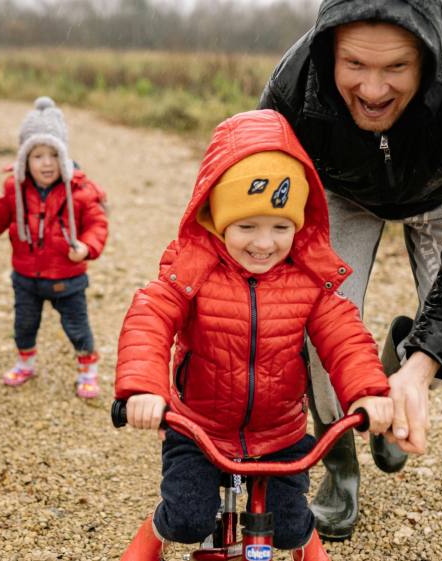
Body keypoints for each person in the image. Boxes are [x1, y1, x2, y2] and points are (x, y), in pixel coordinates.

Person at [257, 0, 442, 540]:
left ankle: (396, 372)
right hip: (341, 190)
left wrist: (423, 364)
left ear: (430, 56)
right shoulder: (294, 87)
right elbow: (257, 198)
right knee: (317, 332)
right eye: (355, 66)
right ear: (329, 52)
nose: (373, 90)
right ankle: (338, 468)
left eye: (396, 68)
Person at [114, 110, 394, 561]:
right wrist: (144, 388)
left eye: (281, 227)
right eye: (247, 226)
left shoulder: (307, 279)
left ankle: (308, 542)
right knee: (186, 518)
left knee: (288, 528)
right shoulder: (193, 270)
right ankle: (154, 529)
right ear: (218, 219)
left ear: (299, 224)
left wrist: (368, 392)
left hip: (280, 432)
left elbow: (344, 333)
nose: (264, 243)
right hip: (198, 428)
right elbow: (150, 317)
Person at [0, 98, 109, 399]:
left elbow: (98, 225)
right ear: (25, 159)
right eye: (38, 155)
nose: (47, 162)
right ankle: (25, 362)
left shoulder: (79, 191)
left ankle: (88, 368)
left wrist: (87, 247)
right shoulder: (15, 189)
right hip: (26, 276)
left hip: (68, 277)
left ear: (64, 156)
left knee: (77, 327)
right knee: (24, 324)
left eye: (54, 154)